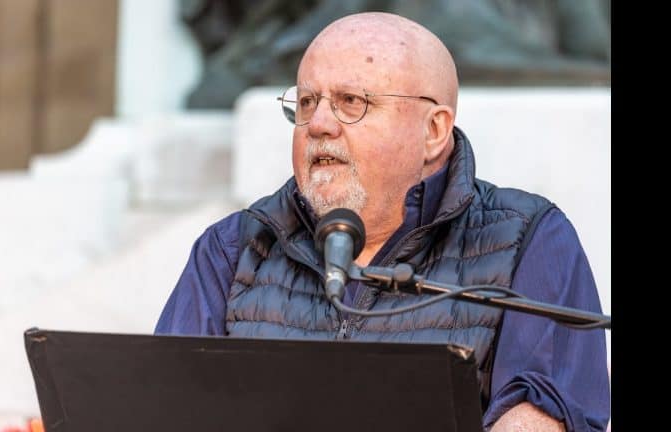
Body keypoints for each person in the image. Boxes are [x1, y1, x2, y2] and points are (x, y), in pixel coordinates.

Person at [155, 12, 610, 432]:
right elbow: (163, 407)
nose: (319, 124)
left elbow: (542, 415)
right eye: (308, 102)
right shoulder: (233, 247)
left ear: (433, 131)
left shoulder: (526, 238)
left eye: (351, 101)